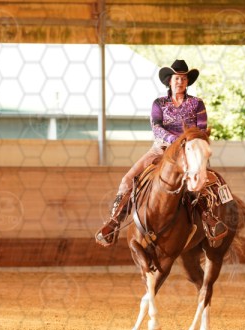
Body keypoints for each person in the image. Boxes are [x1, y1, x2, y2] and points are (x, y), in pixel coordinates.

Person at [96, 59, 227, 247]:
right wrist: (177, 142)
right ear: (169, 81)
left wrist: (187, 145)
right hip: (161, 148)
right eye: (176, 78)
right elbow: (156, 128)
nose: (180, 82)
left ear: (187, 82)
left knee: (204, 183)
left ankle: (209, 219)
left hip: (191, 152)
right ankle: (114, 222)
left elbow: (201, 130)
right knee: (127, 179)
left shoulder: (197, 103)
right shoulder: (158, 103)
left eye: (183, 78)